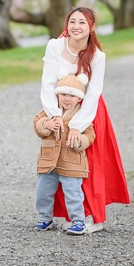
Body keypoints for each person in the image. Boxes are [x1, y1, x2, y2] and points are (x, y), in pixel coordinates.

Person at [38, 6, 129, 234]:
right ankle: (71, 215)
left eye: (82, 23)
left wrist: (78, 127)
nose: (76, 27)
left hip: (89, 111)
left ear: (92, 27)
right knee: (60, 161)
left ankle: (93, 217)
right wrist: (54, 115)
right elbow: (48, 83)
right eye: (72, 21)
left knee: (88, 164)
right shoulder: (55, 46)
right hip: (60, 108)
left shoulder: (97, 56)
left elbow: (94, 93)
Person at [33, 73, 96, 234]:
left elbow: (90, 135)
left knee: (73, 193)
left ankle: (78, 221)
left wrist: (79, 141)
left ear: (79, 98)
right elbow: (37, 124)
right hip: (49, 161)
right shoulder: (50, 110)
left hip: (71, 162)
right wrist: (46, 124)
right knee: (43, 192)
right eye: (63, 94)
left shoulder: (82, 115)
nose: (67, 99)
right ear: (57, 94)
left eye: (72, 95)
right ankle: (45, 218)